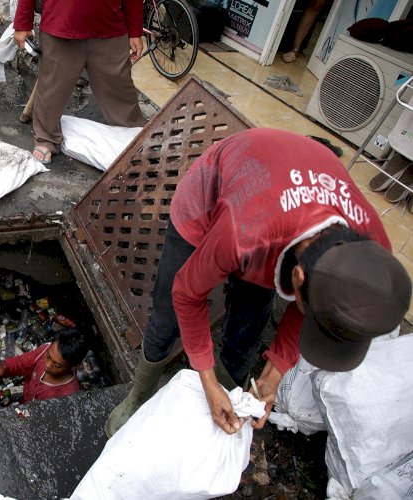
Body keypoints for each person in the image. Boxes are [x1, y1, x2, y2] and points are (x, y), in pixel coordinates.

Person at [105, 128, 411, 437]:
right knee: (168, 311)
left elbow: (311, 308)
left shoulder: (372, 255)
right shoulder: (245, 236)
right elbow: (187, 292)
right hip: (216, 198)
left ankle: (231, 390)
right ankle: (140, 393)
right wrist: (206, 381)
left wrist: (272, 377)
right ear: (297, 277)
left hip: (277, 204)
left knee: (251, 317)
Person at [12, 0, 145, 165]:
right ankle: (46, 138)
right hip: (61, 25)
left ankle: (134, 137)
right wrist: (22, 24)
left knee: (120, 89)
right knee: (52, 89)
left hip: (109, 28)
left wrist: (135, 31)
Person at [0, 329, 88, 403]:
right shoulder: (46, 349)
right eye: (48, 356)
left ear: (74, 366)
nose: (47, 365)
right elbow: (22, 363)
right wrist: (2, 368)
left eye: (57, 365)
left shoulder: (65, 397)